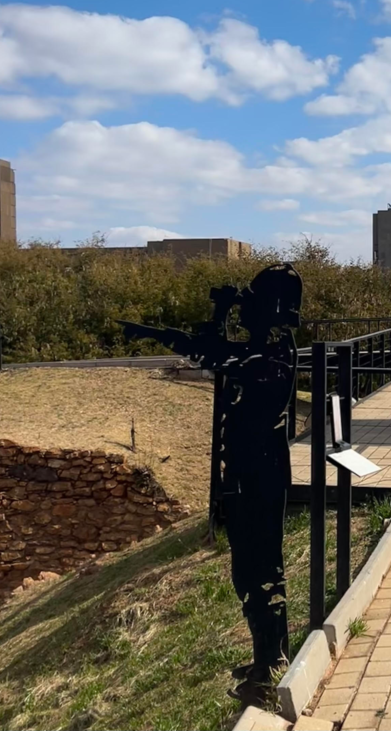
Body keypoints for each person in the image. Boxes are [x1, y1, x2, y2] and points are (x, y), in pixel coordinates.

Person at [121, 262, 302, 702]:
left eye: (253, 306)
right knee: (257, 568)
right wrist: (162, 330)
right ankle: (269, 651)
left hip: (256, 472)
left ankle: (268, 665)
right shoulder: (267, 347)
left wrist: (218, 316)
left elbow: (214, 355)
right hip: (251, 469)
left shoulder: (271, 353)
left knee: (257, 570)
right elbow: (216, 349)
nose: (246, 314)